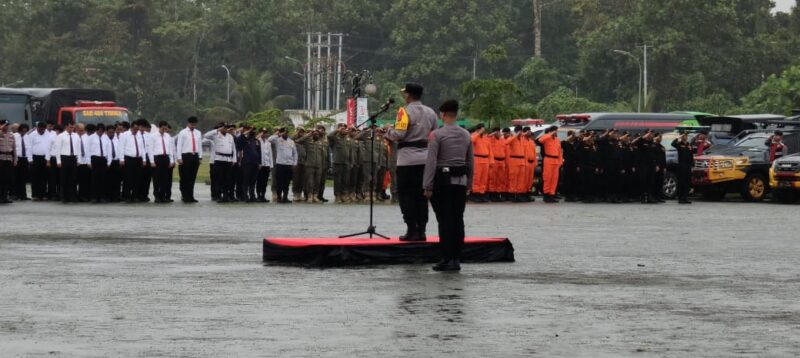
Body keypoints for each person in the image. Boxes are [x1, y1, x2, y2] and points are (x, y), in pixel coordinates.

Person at [422, 100, 473, 272]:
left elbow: (431, 162)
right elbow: (470, 162)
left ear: (442, 114)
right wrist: (469, 183)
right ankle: (456, 258)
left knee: (444, 221)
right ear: (456, 114)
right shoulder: (466, 134)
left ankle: (446, 258)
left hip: (442, 182)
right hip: (460, 182)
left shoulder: (437, 135)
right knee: (458, 220)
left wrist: (427, 186)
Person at [384, 83, 438, 242]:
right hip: (425, 158)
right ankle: (421, 230)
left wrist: (388, 130)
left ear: (408, 96)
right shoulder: (431, 112)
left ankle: (411, 229)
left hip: (407, 160)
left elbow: (399, 134)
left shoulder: (404, 112)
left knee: (407, 195)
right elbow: (434, 134)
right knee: (422, 196)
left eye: (405, 94)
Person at [176, 116, 203, 203]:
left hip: (195, 156)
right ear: (188, 123)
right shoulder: (182, 132)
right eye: (192, 124)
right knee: (185, 177)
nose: (193, 126)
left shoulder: (198, 133)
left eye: (195, 125)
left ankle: (191, 196)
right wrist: (179, 158)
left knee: (192, 177)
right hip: (185, 156)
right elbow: (179, 145)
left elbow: (199, 145)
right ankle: (185, 195)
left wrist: (200, 157)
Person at [268, 128, 298, 203]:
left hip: (288, 165)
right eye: (284, 132)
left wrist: (294, 163)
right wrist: (279, 134)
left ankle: (285, 197)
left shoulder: (291, 141)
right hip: (280, 164)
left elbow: (295, 153)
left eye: (287, 132)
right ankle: (279, 197)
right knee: (279, 182)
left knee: (287, 182)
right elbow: (270, 139)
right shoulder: (277, 140)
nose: (286, 133)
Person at [148, 121, 176, 203]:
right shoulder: (153, 136)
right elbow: (150, 149)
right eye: (163, 128)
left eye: (166, 128)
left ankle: (163, 196)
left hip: (166, 158)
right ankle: (156, 196)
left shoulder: (168, 136)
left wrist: (171, 160)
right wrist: (152, 161)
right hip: (157, 158)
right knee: (157, 179)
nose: (165, 130)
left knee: (165, 179)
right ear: (160, 127)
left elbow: (170, 149)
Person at [119, 120, 146, 203]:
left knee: (137, 178)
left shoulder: (139, 135)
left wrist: (144, 159)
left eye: (137, 129)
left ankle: (134, 196)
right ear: (131, 127)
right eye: (134, 129)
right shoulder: (124, 135)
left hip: (138, 159)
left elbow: (142, 148)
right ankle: (127, 196)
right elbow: (121, 147)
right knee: (128, 178)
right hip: (129, 158)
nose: (136, 131)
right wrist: (121, 159)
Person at [54, 122, 81, 203]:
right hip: (64, 157)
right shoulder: (61, 136)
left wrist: (78, 159)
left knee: (73, 178)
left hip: (73, 158)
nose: (71, 129)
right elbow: (57, 149)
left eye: (73, 127)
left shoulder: (76, 136)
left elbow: (78, 148)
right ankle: (64, 197)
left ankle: (72, 196)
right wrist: (58, 161)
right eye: (70, 127)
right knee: (64, 178)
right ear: (66, 127)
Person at [210, 124, 237, 203]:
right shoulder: (216, 135)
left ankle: (225, 196)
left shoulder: (230, 136)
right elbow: (206, 135)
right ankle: (218, 196)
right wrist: (217, 130)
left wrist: (234, 159)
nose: (226, 129)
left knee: (227, 179)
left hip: (228, 159)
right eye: (224, 128)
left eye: (227, 128)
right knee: (219, 179)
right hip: (219, 159)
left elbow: (233, 148)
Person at [536, 126, 563, 203]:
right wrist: (549, 134)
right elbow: (540, 140)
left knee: (554, 179)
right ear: (551, 131)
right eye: (555, 131)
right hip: (548, 159)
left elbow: (559, 152)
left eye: (556, 131)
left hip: (556, 161)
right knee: (547, 178)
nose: (556, 133)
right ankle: (546, 195)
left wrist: (560, 161)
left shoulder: (557, 140)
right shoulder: (547, 138)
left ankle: (552, 194)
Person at [86, 123, 111, 203]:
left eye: (102, 131)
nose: (101, 132)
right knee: (94, 179)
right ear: (97, 130)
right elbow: (87, 150)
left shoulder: (105, 137)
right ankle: (94, 197)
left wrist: (109, 161)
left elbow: (108, 149)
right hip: (95, 159)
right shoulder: (91, 138)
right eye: (100, 131)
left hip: (103, 159)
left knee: (103, 179)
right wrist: (88, 161)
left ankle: (102, 196)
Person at [28, 122, 51, 201]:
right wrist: (30, 159)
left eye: (43, 129)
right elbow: (29, 147)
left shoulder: (48, 134)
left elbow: (48, 147)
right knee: (35, 177)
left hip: (45, 158)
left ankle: (43, 194)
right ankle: (35, 195)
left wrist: (48, 159)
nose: (42, 131)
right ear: (37, 128)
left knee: (44, 177)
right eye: (40, 129)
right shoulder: (32, 135)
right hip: (35, 158)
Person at [504, 126, 528, 202]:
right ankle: (513, 194)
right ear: (517, 131)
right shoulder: (512, 138)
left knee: (521, 179)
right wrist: (515, 135)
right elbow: (506, 142)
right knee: (513, 178)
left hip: (522, 160)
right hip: (514, 160)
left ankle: (519, 194)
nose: (521, 133)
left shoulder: (522, 139)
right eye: (520, 131)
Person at [470, 124, 492, 203]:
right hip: (477, 159)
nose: (484, 131)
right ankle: (476, 194)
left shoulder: (486, 138)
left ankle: (482, 193)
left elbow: (490, 150)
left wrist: (491, 161)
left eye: (484, 129)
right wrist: (478, 133)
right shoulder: (474, 135)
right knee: (477, 178)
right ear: (478, 129)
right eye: (482, 129)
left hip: (486, 159)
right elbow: (471, 141)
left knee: (484, 178)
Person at [671, 131, 694, 204]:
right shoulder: (679, 144)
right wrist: (679, 137)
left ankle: (685, 197)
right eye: (684, 135)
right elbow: (673, 144)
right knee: (682, 182)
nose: (686, 137)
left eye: (686, 135)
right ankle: (680, 198)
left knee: (687, 182)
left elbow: (691, 155)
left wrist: (692, 165)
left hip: (688, 166)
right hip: (681, 166)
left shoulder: (689, 145)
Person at [487, 128, 508, 202]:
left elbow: (505, 151)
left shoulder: (502, 140)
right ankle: (492, 194)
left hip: (502, 161)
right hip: (494, 161)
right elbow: (486, 137)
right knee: (493, 178)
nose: (499, 133)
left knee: (500, 179)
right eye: (498, 132)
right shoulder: (491, 139)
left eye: (500, 132)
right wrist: (493, 133)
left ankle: (498, 194)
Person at [12, 123, 30, 200]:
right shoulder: (14, 136)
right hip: (16, 158)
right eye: (23, 131)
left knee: (23, 178)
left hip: (24, 159)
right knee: (16, 177)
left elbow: (29, 148)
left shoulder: (27, 137)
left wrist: (29, 159)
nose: (24, 133)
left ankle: (23, 195)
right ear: (20, 130)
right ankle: (15, 194)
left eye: (25, 131)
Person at [0, 120, 16, 204]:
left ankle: (5, 196)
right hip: (1, 159)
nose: (6, 126)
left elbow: (14, 148)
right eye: (4, 125)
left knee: (7, 179)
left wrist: (15, 159)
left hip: (9, 158)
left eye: (7, 125)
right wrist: (1, 128)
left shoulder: (11, 135)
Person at [106, 124, 122, 202]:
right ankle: (108, 196)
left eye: (113, 132)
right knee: (108, 180)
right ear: (107, 132)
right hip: (108, 162)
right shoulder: (104, 140)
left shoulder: (117, 139)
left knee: (117, 180)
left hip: (116, 161)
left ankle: (116, 196)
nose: (111, 134)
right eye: (110, 132)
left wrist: (120, 160)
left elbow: (120, 150)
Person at [76, 123, 92, 202]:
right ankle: (76, 196)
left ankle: (85, 195)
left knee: (85, 181)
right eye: (80, 130)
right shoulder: (74, 137)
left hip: (85, 162)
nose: (82, 132)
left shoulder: (87, 138)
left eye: (83, 130)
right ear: (76, 130)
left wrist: (89, 161)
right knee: (75, 180)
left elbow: (89, 151)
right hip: (76, 162)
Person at [257, 128, 273, 202]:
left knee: (265, 181)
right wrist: (258, 163)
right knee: (259, 181)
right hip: (260, 164)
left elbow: (270, 155)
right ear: (260, 133)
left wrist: (270, 165)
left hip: (267, 164)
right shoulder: (257, 141)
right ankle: (258, 195)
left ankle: (263, 196)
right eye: (263, 132)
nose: (264, 134)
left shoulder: (268, 143)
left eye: (266, 132)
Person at [291, 128, 308, 202]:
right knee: (296, 179)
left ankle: (299, 194)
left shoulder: (305, 142)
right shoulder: (293, 140)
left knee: (302, 179)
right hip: (296, 162)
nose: (301, 133)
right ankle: (295, 194)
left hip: (303, 162)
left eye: (302, 132)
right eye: (300, 131)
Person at [47, 124, 63, 201]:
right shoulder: (51, 137)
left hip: (61, 158)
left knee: (60, 177)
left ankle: (60, 194)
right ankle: (52, 194)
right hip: (53, 158)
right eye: (57, 130)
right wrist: (48, 160)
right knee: (52, 178)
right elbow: (48, 149)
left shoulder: (63, 137)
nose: (58, 132)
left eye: (59, 131)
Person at [651, 133, 667, 203]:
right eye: (659, 137)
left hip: (661, 166)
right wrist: (656, 165)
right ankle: (653, 196)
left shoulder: (662, 147)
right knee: (655, 182)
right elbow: (653, 157)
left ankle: (658, 196)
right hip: (655, 166)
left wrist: (664, 167)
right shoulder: (653, 145)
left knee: (660, 182)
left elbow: (664, 158)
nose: (660, 139)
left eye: (661, 137)